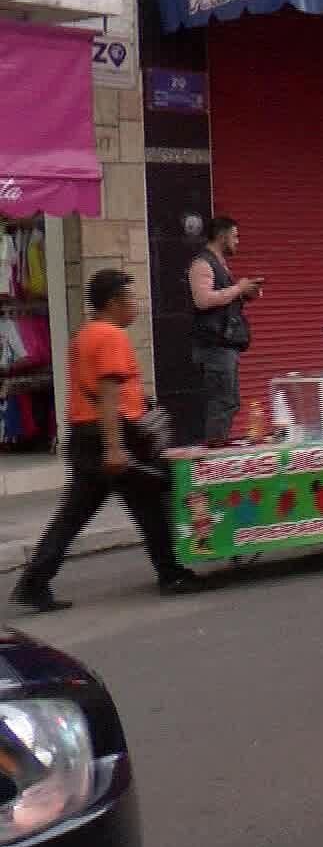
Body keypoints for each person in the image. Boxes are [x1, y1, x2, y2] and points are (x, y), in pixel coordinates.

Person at [13, 270, 203, 612]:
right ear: (114, 302)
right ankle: (171, 574)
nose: (136, 305)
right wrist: (116, 447)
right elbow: (108, 392)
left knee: (73, 516)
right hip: (111, 438)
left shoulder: (85, 335)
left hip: (85, 438)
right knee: (151, 504)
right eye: (131, 298)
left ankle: (33, 583)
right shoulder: (110, 336)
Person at [187, 217, 259, 443]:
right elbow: (202, 300)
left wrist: (245, 292)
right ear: (221, 235)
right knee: (222, 402)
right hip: (213, 348)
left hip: (224, 347)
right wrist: (238, 288)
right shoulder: (202, 264)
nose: (238, 241)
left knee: (229, 401)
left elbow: (222, 298)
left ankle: (220, 446)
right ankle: (215, 454)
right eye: (235, 236)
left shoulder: (219, 264)